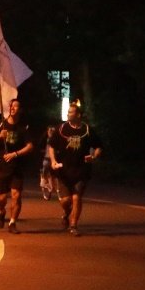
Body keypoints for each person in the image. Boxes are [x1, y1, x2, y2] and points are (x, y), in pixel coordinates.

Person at [49, 101, 104, 236]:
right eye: (68, 112)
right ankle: (66, 213)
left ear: (78, 115)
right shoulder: (61, 129)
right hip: (63, 170)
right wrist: (53, 161)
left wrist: (93, 156)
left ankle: (73, 225)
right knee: (65, 201)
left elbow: (98, 147)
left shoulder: (87, 130)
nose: (68, 114)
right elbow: (52, 146)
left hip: (81, 170)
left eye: (71, 112)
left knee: (76, 197)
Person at [0, 98, 33, 235]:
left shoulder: (24, 127)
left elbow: (30, 146)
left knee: (16, 195)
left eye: (16, 106)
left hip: (16, 166)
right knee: (1, 198)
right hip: (0, 166)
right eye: (11, 106)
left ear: (20, 110)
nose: (13, 108)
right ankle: (1, 211)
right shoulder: (0, 124)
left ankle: (12, 222)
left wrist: (15, 154)